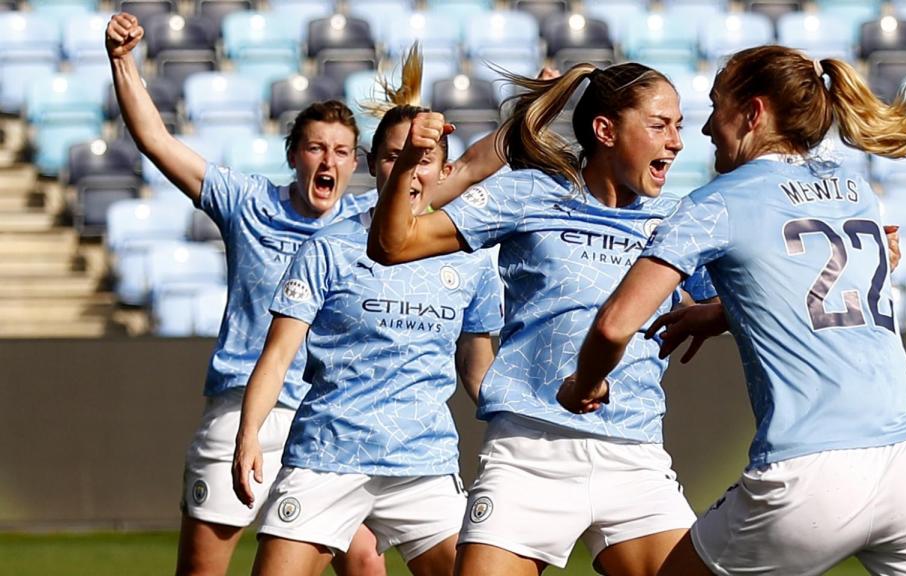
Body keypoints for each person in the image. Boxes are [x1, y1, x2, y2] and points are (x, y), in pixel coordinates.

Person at [559, 46, 906, 575]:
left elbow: (614, 325)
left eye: (716, 107)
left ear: (753, 113)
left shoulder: (714, 203)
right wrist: (721, 313)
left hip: (810, 468)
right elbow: (816, 285)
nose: (704, 131)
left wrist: (584, 384)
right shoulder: (856, 190)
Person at [105, 14, 497, 576]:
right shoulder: (249, 203)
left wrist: (537, 110)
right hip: (252, 402)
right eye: (316, 148)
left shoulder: (375, 224)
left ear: (355, 164)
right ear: (295, 154)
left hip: (341, 412)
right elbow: (155, 140)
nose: (328, 161)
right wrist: (123, 62)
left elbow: (456, 173)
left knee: (364, 559)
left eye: (341, 151)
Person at [367, 61, 723, 576]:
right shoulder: (531, 193)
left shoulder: (674, 222)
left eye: (679, 127)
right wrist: (408, 167)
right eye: (659, 125)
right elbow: (393, 244)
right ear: (605, 130)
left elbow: (751, 301)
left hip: (634, 454)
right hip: (529, 452)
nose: (676, 143)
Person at [230, 66, 505, 576]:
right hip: (327, 454)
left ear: (444, 173)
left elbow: (476, 366)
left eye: (424, 160)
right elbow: (278, 354)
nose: (411, 171)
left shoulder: (471, 259)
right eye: (396, 157)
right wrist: (248, 434)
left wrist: (522, 421)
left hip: (423, 463)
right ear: (376, 166)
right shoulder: (328, 247)